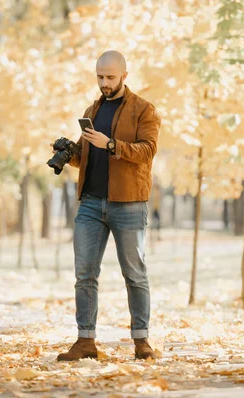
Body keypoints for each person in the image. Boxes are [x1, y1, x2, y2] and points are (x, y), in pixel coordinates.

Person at [56, 50, 161, 361]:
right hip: (90, 203)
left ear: (124, 76)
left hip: (128, 202)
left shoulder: (144, 110)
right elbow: (89, 158)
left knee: (135, 274)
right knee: (84, 274)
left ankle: (142, 342)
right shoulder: (92, 109)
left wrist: (112, 144)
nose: (104, 83)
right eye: (100, 77)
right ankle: (85, 342)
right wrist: (70, 153)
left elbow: (147, 151)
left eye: (110, 77)